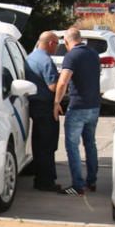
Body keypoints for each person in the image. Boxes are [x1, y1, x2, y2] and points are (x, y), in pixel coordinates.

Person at [53, 27, 101, 196]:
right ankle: (92, 182)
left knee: (72, 147)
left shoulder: (72, 56)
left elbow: (63, 81)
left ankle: (77, 186)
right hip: (94, 106)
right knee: (90, 144)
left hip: (78, 107)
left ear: (66, 41)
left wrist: (56, 102)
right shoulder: (93, 54)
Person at [25, 31, 61, 191]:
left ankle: (39, 175)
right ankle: (46, 181)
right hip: (46, 107)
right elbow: (53, 86)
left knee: (38, 144)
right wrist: (64, 80)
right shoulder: (46, 61)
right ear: (51, 43)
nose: (57, 48)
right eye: (57, 44)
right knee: (48, 145)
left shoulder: (30, 57)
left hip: (34, 106)